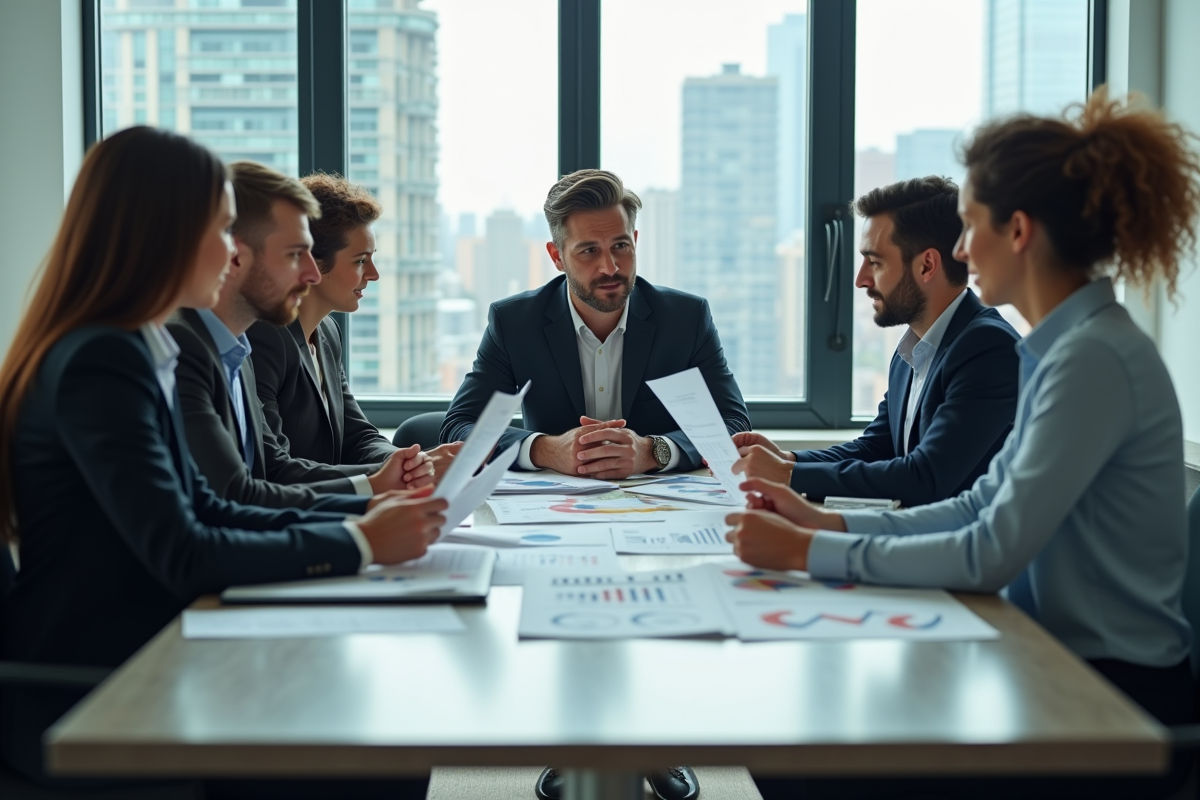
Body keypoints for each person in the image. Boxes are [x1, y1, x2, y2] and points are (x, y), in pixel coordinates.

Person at [733, 90, 1200, 800]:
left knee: (803, 761)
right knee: (801, 738)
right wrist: (825, 522)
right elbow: (980, 503)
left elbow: (990, 551)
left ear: (1018, 231)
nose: (957, 250)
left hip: (1105, 696)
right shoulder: (1063, 350)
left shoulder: (1091, 360)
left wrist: (807, 552)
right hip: (1043, 659)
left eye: (970, 226)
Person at [0, 128, 444, 799]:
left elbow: (207, 506)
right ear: (166, 234)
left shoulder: (134, 346)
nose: (229, 252)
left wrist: (363, 513)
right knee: (378, 754)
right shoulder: (103, 359)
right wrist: (358, 540)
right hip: (103, 687)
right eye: (218, 229)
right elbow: (183, 549)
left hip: (155, 650)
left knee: (386, 736)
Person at [442, 168, 750, 486]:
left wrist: (654, 450)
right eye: (589, 251)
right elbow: (460, 425)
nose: (610, 267)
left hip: (660, 508)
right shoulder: (515, 322)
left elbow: (734, 424)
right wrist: (546, 450)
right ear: (557, 256)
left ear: (635, 240)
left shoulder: (686, 318)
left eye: (620, 246)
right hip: (551, 511)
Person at [732, 177, 1020, 508]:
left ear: (927, 265)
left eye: (875, 262)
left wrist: (788, 476)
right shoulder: (913, 349)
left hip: (965, 551)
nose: (860, 280)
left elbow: (926, 477)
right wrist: (788, 460)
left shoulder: (987, 347)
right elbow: (876, 447)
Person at [169, 161, 435, 510]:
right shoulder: (234, 342)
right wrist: (371, 498)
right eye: (296, 255)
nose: (309, 273)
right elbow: (259, 481)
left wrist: (404, 465)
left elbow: (354, 433)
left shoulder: (273, 341)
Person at [246, 172, 461, 478]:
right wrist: (390, 475)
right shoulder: (264, 337)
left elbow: (357, 435)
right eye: (360, 261)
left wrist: (408, 463)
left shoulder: (328, 333)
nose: (373, 274)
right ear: (314, 262)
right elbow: (272, 467)